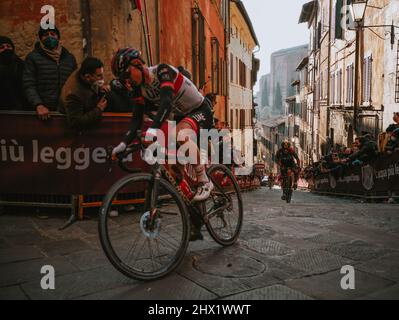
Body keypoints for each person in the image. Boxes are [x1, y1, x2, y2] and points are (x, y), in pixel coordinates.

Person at [110, 48, 214, 203]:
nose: (127, 81)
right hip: (180, 117)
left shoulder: (162, 71)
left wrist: (153, 130)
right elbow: (136, 119)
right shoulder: (139, 90)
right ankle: (193, 211)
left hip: (199, 109)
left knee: (181, 135)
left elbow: (166, 101)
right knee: (174, 173)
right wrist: (123, 144)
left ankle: (204, 180)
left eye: (126, 74)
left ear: (137, 64)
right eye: (122, 78)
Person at [23, 25, 77, 120]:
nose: (50, 37)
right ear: (41, 38)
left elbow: (76, 82)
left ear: (58, 37)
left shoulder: (69, 58)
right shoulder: (33, 58)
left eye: (53, 34)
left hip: (65, 112)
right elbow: (29, 84)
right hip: (43, 112)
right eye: (45, 34)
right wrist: (38, 105)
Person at [59, 57, 108, 131]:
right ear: (87, 77)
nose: (102, 78)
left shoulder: (84, 72)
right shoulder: (73, 94)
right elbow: (75, 123)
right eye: (99, 76)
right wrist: (98, 110)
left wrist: (98, 87)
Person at [0, 36, 25, 110]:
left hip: (19, 109)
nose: (6, 48)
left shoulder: (21, 65)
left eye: (8, 46)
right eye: (2, 47)